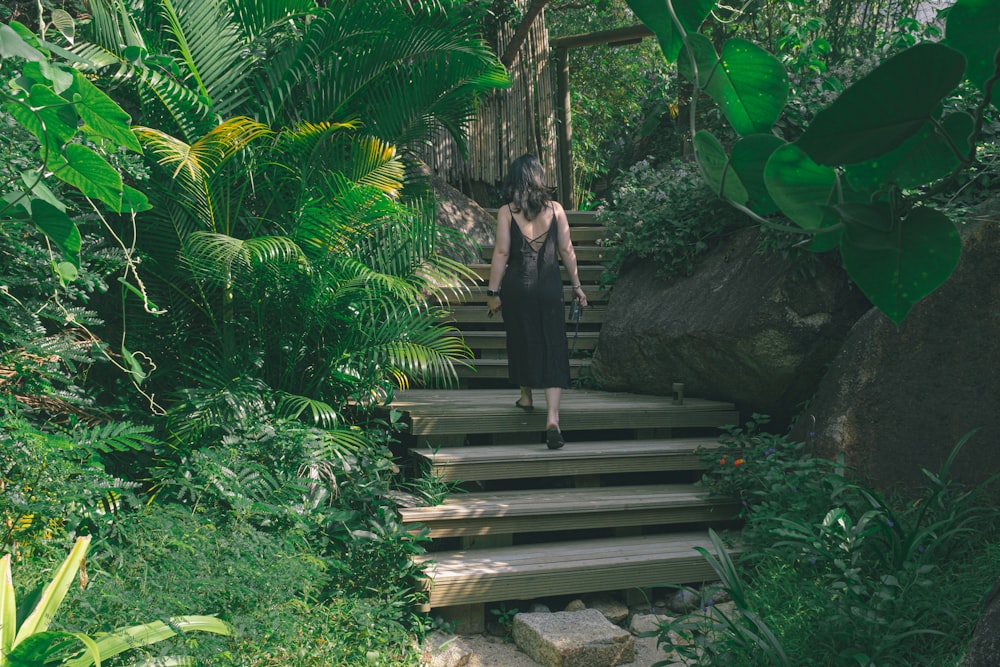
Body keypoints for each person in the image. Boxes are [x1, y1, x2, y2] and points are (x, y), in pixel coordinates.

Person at [485, 154, 588, 450]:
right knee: (553, 343)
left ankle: (526, 397)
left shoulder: (506, 211)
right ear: (539, 178)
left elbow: (502, 254)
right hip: (548, 286)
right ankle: (552, 419)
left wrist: (493, 294)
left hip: (518, 287)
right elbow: (567, 250)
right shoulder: (555, 210)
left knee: (521, 338)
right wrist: (577, 287)